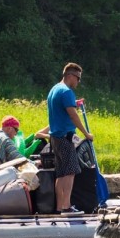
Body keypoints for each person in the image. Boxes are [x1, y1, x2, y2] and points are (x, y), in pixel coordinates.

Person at [47, 63, 93, 214]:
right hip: (65, 138)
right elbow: (73, 115)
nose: (78, 82)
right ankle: (67, 207)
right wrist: (86, 134)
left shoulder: (55, 89)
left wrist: (75, 104)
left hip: (55, 137)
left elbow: (66, 108)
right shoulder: (66, 92)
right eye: (78, 78)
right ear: (71, 76)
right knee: (70, 171)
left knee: (61, 173)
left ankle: (59, 207)